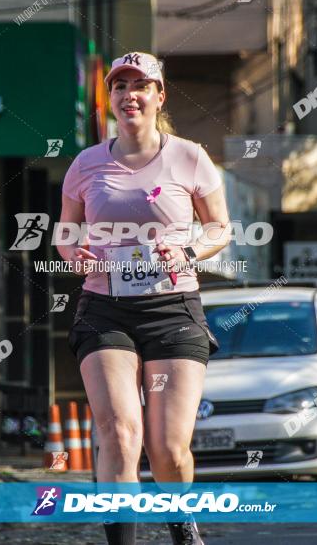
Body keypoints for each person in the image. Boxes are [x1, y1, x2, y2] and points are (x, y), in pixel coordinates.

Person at [59, 52, 231, 545]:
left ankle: (183, 531)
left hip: (172, 309)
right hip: (105, 308)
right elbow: (66, 233)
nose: (129, 94)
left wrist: (189, 248)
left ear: (159, 96)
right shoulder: (86, 163)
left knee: (168, 448)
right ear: (110, 98)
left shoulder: (189, 156)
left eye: (141, 85)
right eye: (119, 86)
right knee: (118, 432)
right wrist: (76, 254)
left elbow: (221, 227)